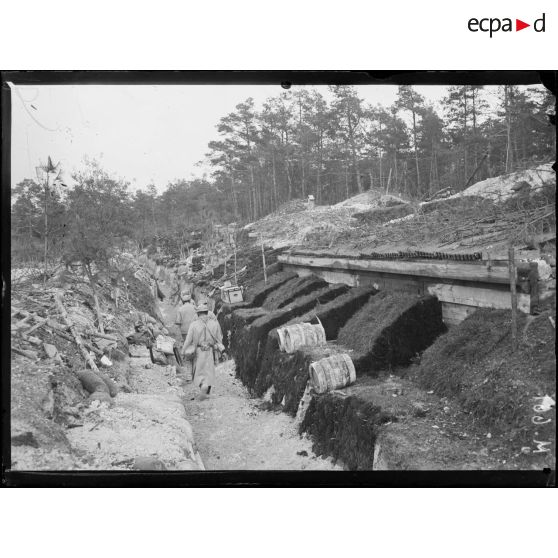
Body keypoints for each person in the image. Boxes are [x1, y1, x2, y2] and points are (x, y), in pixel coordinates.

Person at [182, 302, 224, 400]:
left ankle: (202, 387)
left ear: (197, 314)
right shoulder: (214, 324)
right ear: (206, 312)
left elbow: (188, 340)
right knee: (209, 370)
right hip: (210, 351)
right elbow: (219, 339)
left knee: (199, 370)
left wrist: (183, 350)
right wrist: (218, 352)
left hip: (199, 351)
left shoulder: (194, 324)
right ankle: (207, 391)